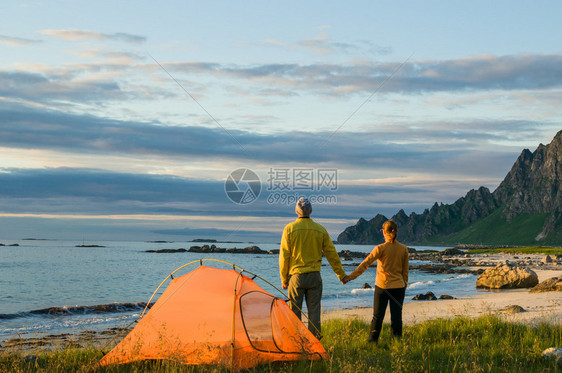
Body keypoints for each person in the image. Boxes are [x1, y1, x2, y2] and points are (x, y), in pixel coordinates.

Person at [279, 197, 347, 338]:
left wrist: (284, 278)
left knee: (294, 312)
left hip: (296, 277)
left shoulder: (289, 229)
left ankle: (295, 343)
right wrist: (340, 274)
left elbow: (284, 257)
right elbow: (332, 254)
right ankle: (315, 345)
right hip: (315, 276)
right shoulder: (320, 230)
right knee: (314, 312)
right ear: (311, 211)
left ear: (296, 211)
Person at [342, 220, 409, 343]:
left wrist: (350, 277)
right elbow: (405, 272)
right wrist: (404, 285)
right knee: (396, 317)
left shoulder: (380, 248)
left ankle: (372, 342)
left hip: (382, 287)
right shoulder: (403, 249)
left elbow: (365, 264)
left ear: (384, 232)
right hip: (398, 287)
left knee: (377, 317)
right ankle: (396, 343)